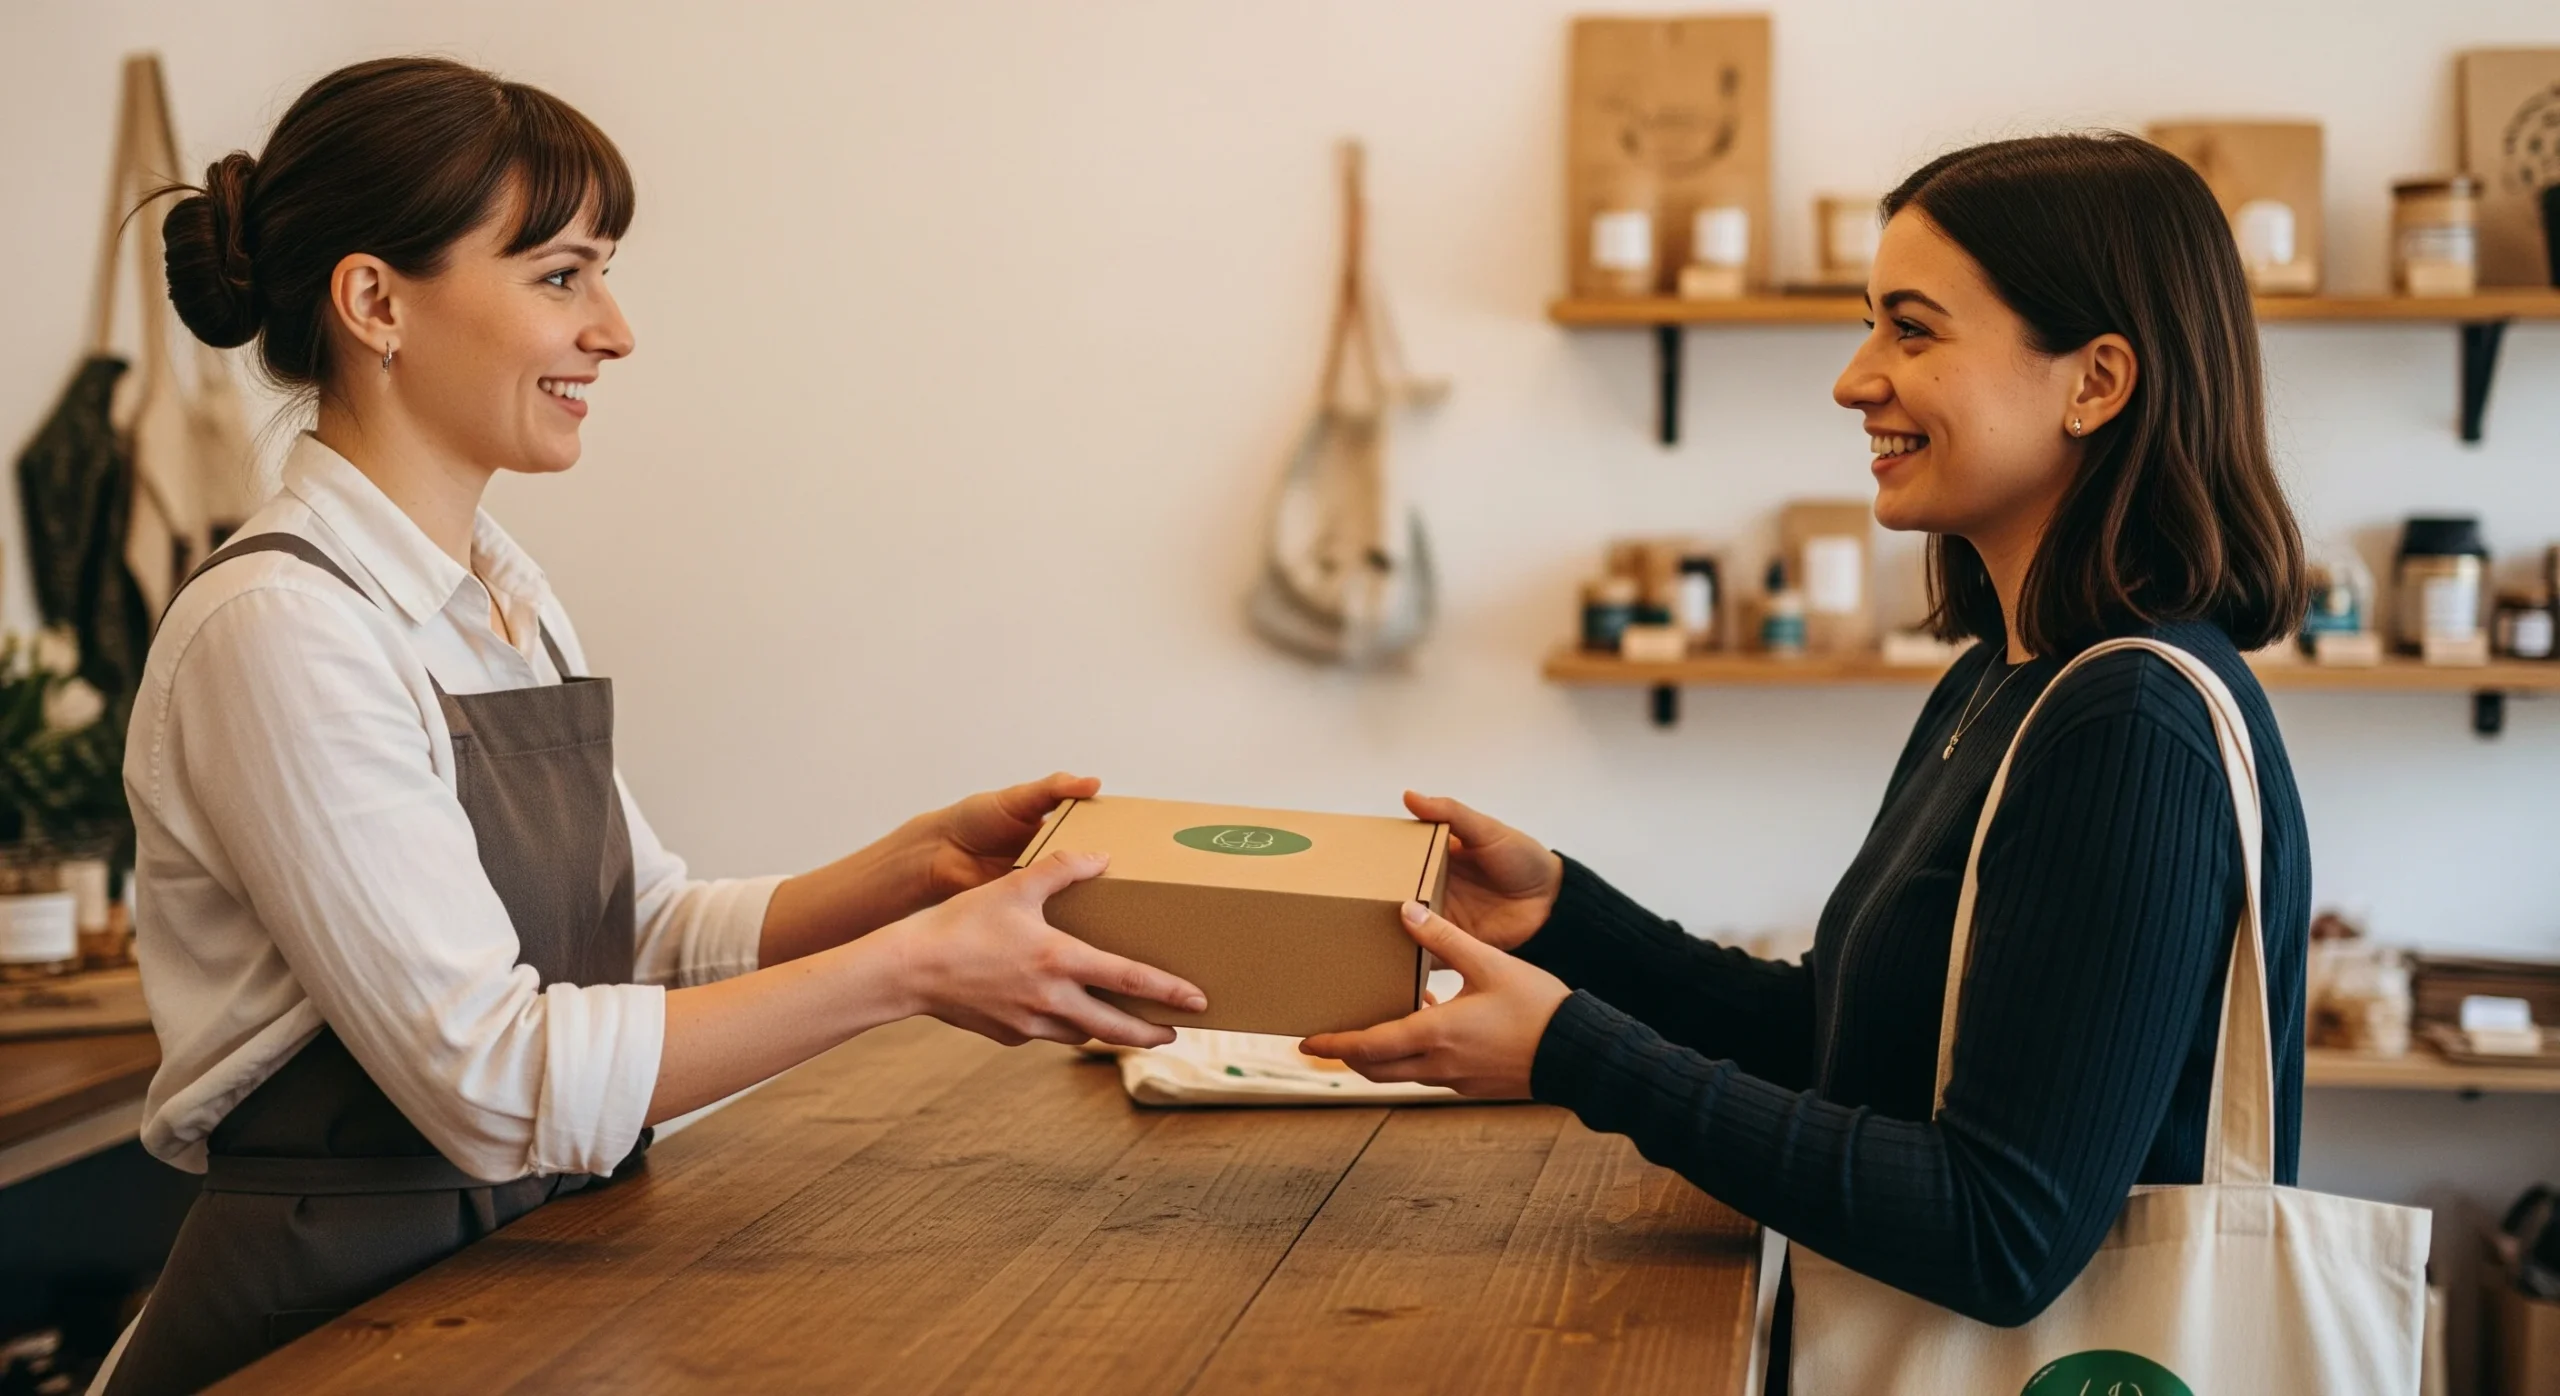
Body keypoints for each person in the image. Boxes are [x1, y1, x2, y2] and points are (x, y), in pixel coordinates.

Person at [98, 57, 1205, 1396]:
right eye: (561, 275)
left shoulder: (502, 597)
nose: (614, 330)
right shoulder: (278, 628)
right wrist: (908, 970)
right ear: (376, 301)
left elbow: (637, 933)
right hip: (335, 1320)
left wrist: (900, 879)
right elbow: (493, 1079)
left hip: (525, 1263)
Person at [1303, 133, 2311, 1384]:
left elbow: (2002, 1231)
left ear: (2095, 381)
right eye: (1867, 326)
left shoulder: (2126, 728)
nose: (1853, 380)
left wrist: (1572, 1051)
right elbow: (1838, 1042)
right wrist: (1562, 915)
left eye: (1911, 331)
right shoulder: (2006, 680)